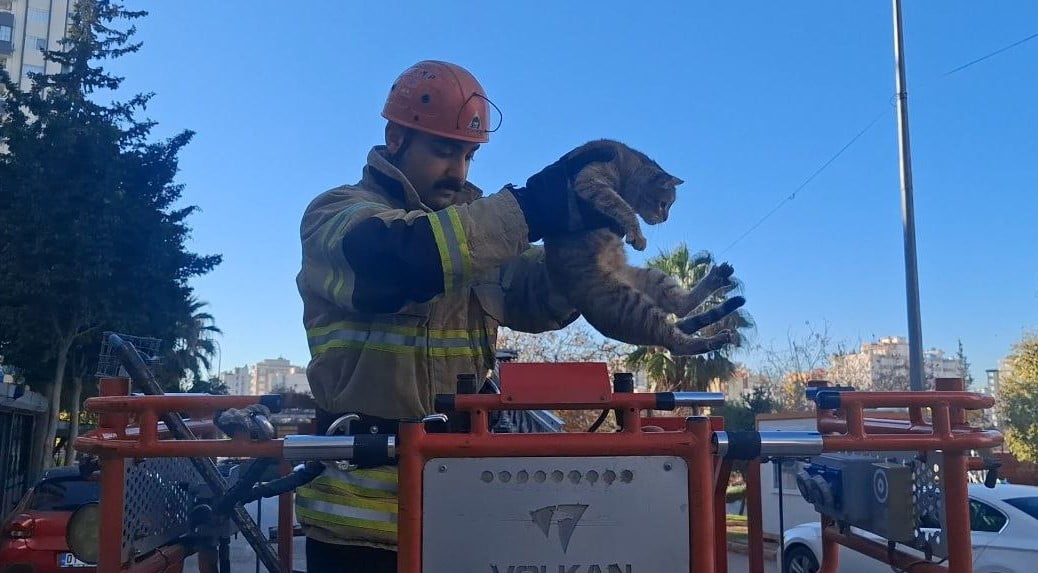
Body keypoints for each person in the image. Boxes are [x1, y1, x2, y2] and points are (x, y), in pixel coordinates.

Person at [294, 60, 616, 572]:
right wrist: (531, 209)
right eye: (445, 151)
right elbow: (403, 259)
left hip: (461, 510)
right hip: (357, 528)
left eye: (469, 154)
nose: (460, 171)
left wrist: (586, 241)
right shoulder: (336, 214)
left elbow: (538, 297)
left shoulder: (477, 229)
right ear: (395, 136)